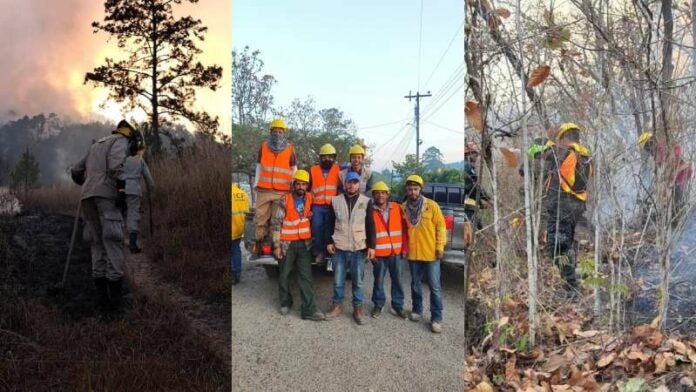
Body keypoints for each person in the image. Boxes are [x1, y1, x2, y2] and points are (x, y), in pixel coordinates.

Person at [70, 119, 141, 311]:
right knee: (113, 240)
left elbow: (76, 170)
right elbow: (115, 168)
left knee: (97, 243)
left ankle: (102, 300)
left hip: (87, 197)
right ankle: (116, 303)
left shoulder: (97, 145)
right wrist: (120, 190)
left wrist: (88, 181)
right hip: (106, 198)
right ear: (129, 135)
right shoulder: (120, 141)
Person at [543, 122, 592, 297]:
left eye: (559, 139)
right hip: (576, 207)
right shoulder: (585, 156)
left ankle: (571, 289)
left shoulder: (564, 152)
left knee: (558, 246)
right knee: (566, 244)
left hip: (561, 208)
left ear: (564, 138)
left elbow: (545, 154)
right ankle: (573, 279)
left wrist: (544, 145)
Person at [271, 170, 325, 321]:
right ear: (293, 185)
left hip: (304, 246)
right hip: (287, 245)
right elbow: (276, 224)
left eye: (304, 184)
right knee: (284, 275)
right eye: (298, 184)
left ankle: (309, 309)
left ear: (307, 186)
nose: (301, 187)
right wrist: (276, 246)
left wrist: (311, 216)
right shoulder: (285, 199)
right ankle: (285, 302)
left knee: (306, 277)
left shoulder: (310, 198)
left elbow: (312, 214)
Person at [325, 171, 376, 325]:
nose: (352, 185)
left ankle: (358, 308)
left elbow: (370, 225)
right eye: (349, 182)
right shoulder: (335, 201)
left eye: (355, 182)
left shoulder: (366, 202)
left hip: (358, 248)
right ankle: (336, 305)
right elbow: (329, 224)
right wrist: (328, 242)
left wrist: (372, 246)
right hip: (339, 247)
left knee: (358, 281)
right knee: (338, 280)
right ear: (345, 183)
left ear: (359, 184)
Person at [401, 174, 447, 333]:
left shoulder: (432, 206)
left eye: (415, 189)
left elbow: (441, 227)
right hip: (414, 255)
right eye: (410, 189)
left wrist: (440, 247)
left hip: (431, 254)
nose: (413, 192)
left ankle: (436, 318)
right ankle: (417, 310)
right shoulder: (403, 208)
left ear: (421, 189)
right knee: (415, 284)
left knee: (434, 286)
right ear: (406, 190)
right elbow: (403, 232)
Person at [253, 118, 297, 257]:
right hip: (264, 190)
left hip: (282, 191)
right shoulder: (263, 146)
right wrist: (256, 183)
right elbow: (259, 166)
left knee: (276, 221)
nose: (277, 133)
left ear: (284, 133)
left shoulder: (290, 148)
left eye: (280, 131)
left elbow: (294, 168)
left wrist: (292, 187)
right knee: (260, 219)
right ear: (270, 132)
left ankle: (274, 248)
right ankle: (258, 246)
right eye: (275, 131)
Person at [369, 181, 408, 319]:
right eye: (377, 193)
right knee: (378, 280)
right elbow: (367, 232)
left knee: (397, 280)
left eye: (383, 193)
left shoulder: (397, 208)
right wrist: (370, 251)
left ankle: (398, 305)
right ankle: (378, 305)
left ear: (388, 194)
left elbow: (404, 229)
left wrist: (404, 247)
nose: (380, 195)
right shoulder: (369, 210)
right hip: (379, 254)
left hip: (395, 252)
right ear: (373, 195)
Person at [309, 143, 340, 263]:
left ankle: (334, 251)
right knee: (317, 228)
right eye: (324, 156)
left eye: (330, 156)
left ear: (334, 157)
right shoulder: (312, 170)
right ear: (320, 158)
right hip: (317, 205)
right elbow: (307, 190)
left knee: (334, 228)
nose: (327, 159)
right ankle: (320, 251)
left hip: (334, 205)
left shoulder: (339, 169)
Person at [123, 143, 154, 253]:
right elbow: (148, 178)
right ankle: (132, 244)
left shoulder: (122, 159)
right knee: (133, 215)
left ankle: (119, 241)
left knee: (120, 214)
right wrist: (151, 189)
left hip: (120, 189)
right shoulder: (140, 160)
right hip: (134, 190)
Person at [231, 182, 250, 285]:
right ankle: (237, 274)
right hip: (239, 228)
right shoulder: (243, 194)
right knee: (236, 250)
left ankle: (233, 274)